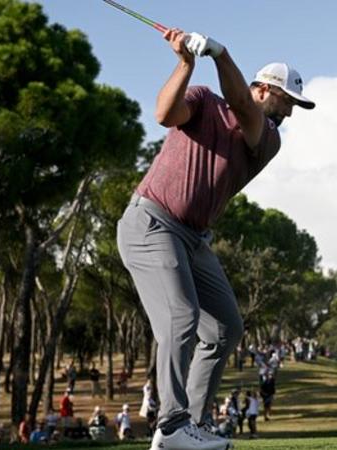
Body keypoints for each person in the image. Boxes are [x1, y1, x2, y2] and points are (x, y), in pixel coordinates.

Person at [116, 24, 313, 450]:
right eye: (286, 100)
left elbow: (242, 104)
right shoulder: (204, 101)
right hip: (151, 223)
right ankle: (170, 427)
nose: (290, 112)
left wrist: (221, 53)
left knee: (226, 327)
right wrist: (186, 64)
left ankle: (195, 424)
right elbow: (165, 115)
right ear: (264, 89)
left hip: (193, 238)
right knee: (181, 318)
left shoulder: (267, 138)